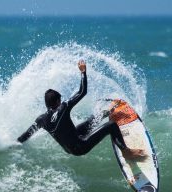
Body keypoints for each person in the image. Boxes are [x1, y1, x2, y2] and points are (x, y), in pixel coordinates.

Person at [17, 60, 145, 159]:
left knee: (92, 119)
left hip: (69, 147)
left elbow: (26, 135)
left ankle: (107, 112)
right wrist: (83, 72)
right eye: (60, 100)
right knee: (111, 126)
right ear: (57, 102)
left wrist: (13, 144)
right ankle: (126, 152)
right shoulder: (63, 107)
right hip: (80, 147)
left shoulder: (41, 119)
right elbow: (82, 92)